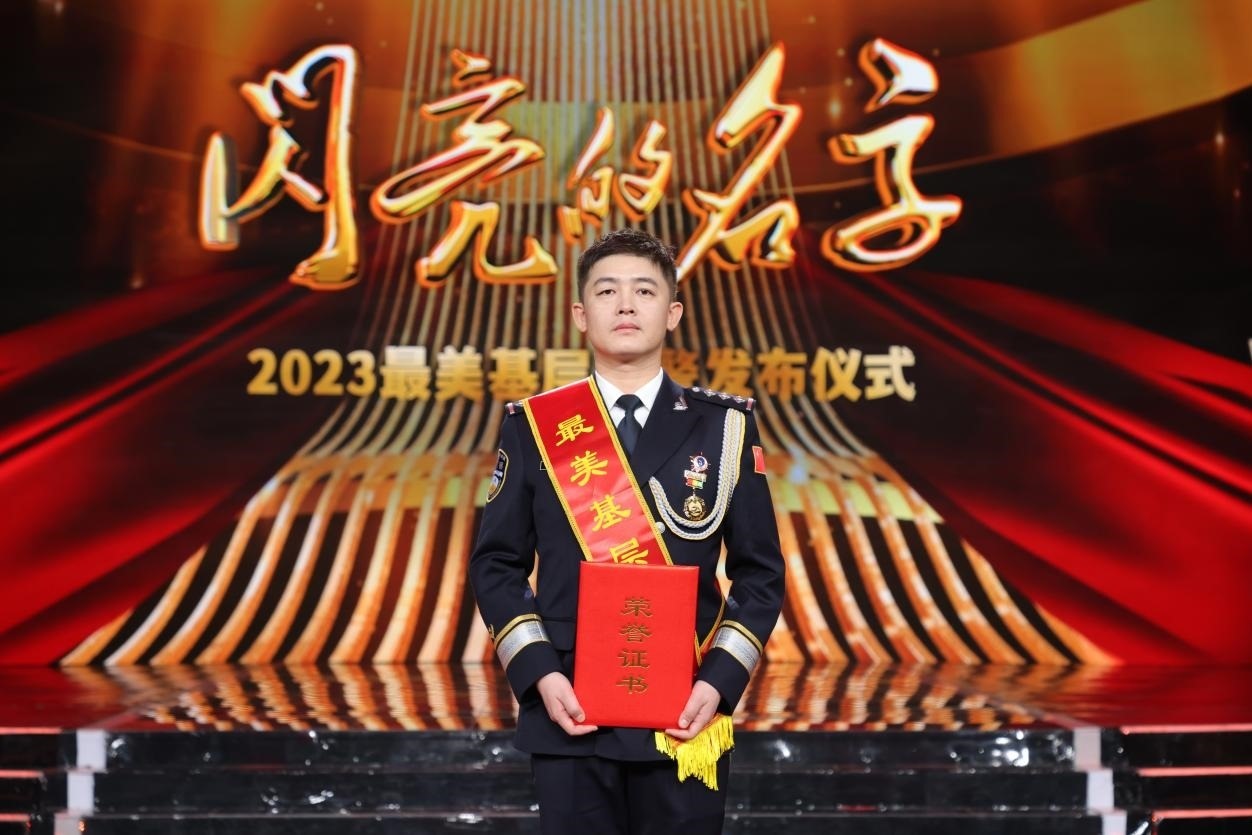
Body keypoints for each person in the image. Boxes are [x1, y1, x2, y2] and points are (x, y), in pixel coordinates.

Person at [468, 228, 785, 834]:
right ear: (580, 315)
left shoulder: (725, 427)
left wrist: (719, 681)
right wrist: (539, 672)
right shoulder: (535, 426)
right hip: (570, 706)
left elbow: (760, 574)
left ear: (672, 314)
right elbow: (496, 564)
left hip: (685, 708)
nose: (625, 305)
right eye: (607, 291)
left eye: (644, 290)